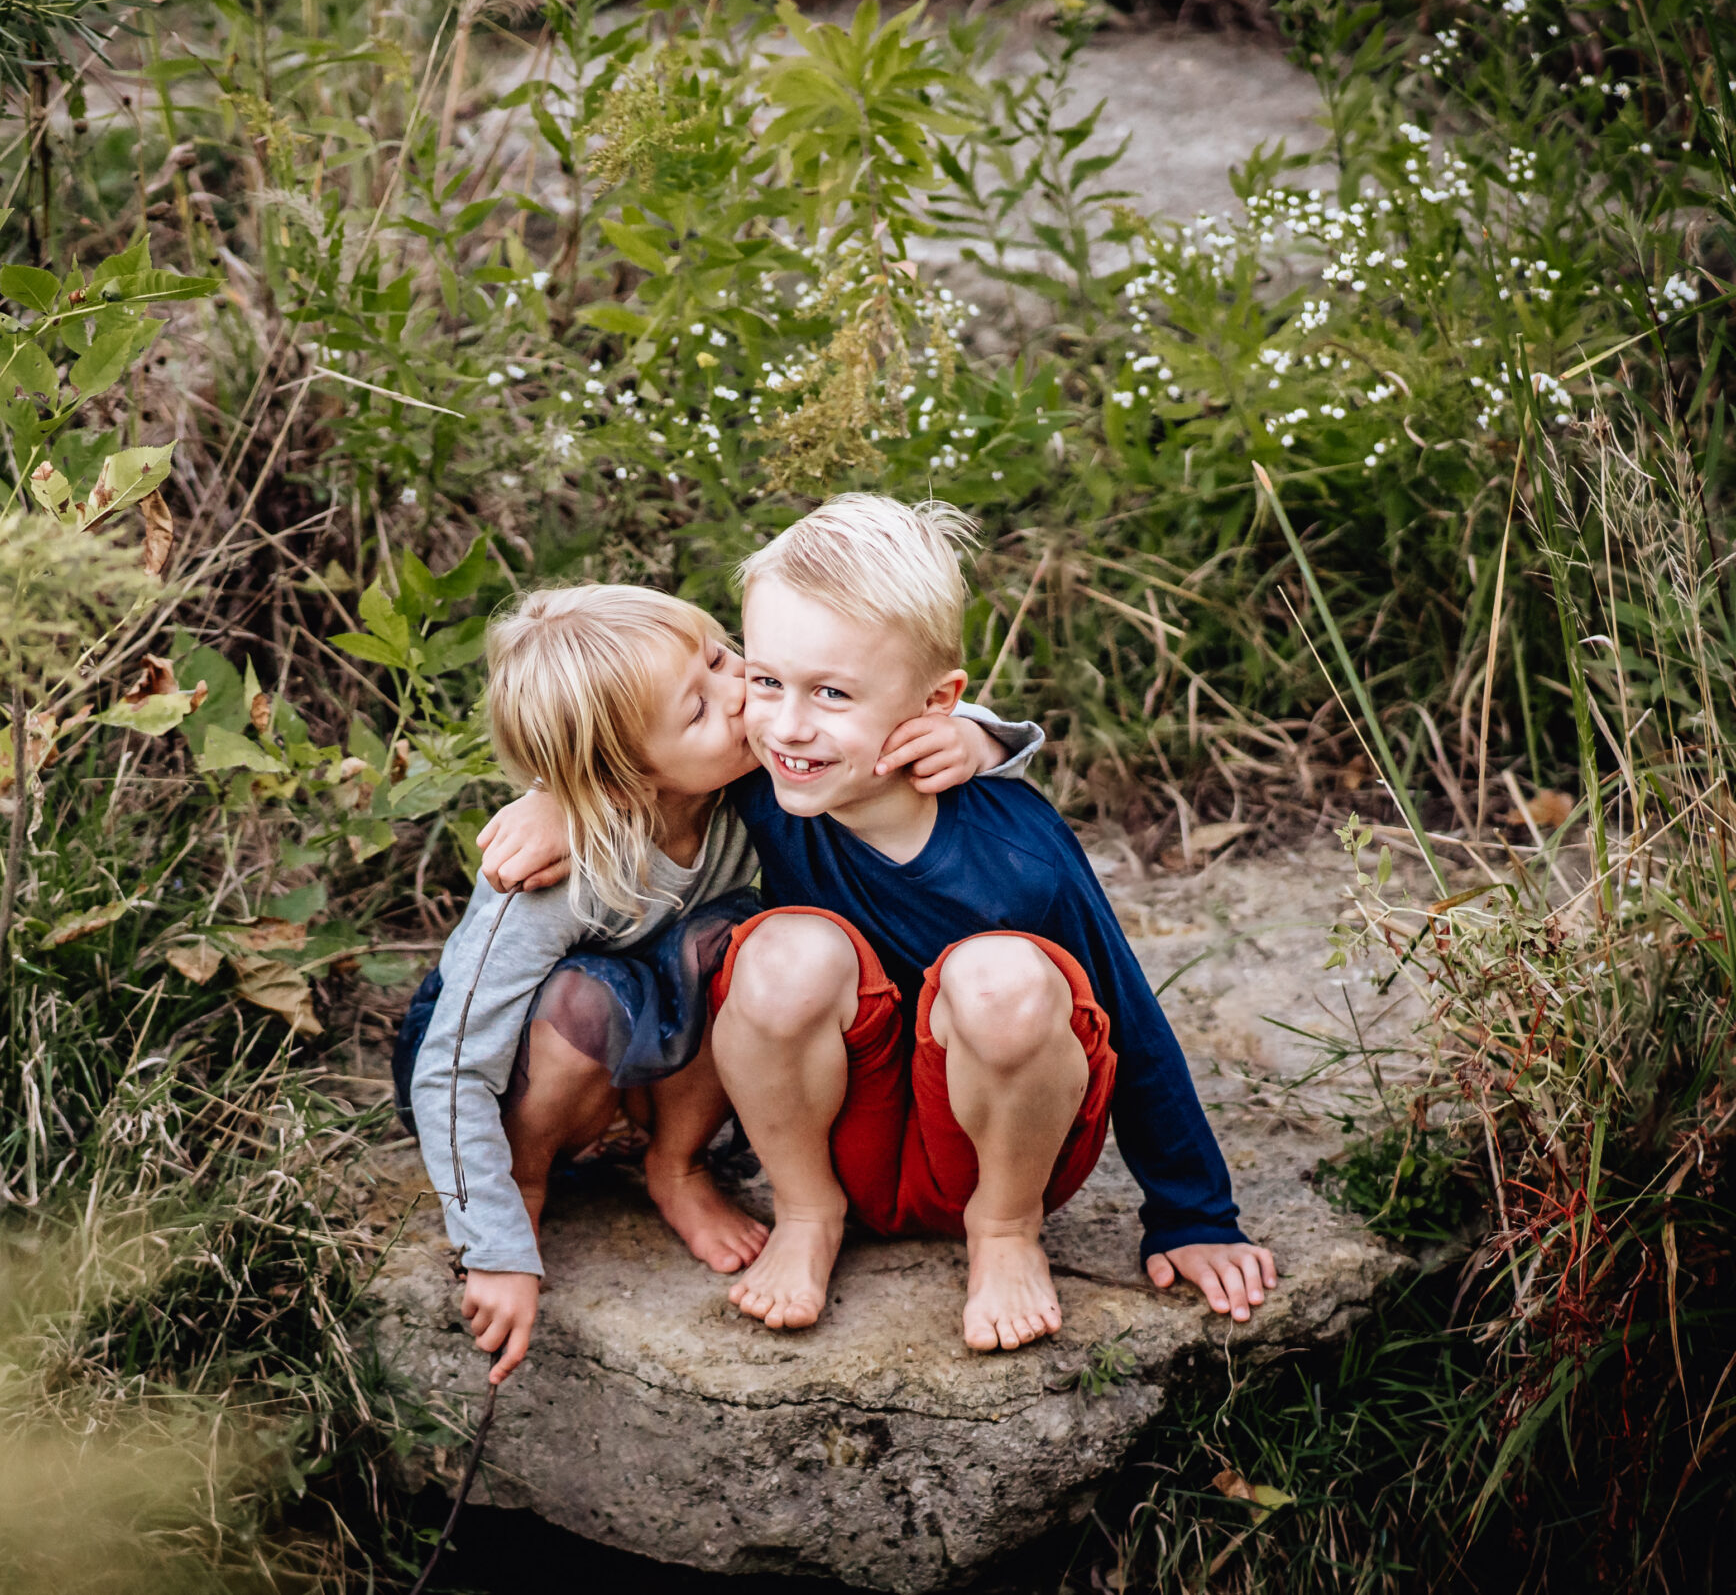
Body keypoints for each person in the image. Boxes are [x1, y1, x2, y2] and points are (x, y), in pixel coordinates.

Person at [477, 496, 1277, 1353]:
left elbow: (1135, 1025)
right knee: (782, 952)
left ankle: (1003, 1238)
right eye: (767, 679)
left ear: (936, 703)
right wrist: (559, 799)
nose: (786, 725)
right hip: (837, 1146)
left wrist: (1195, 1214)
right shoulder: (772, 775)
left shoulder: (1018, 856)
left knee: (1000, 976)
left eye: (831, 692)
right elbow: (629, 741)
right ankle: (805, 1215)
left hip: (994, 1150)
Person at [398, 583, 1043, 1382]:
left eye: (719, 658)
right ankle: (525, 1190)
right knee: (583, 995)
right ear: (626, 775)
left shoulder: (751, 786)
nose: (741, 696)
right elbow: (454, 1062)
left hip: (659, 1043)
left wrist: (974, 740)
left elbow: (873, 710)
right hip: (528, 1070)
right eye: (698, 710)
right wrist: (488, 1246)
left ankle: (677, 1165)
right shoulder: (544, 876)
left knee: (727, 942)